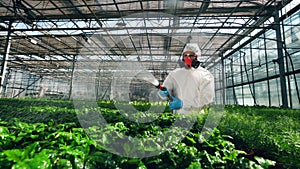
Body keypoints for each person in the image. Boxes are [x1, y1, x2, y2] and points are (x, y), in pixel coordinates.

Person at [159, 44, 215, 114]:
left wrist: (184, 104)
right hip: (177, 116)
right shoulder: (174, 74)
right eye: (185, 55)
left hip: (197, 117)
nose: (187, 58)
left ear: (197, 57)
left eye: (191, 55)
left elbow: (207, 99)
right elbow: (165, 92)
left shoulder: (206, 75)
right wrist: (163, 93)